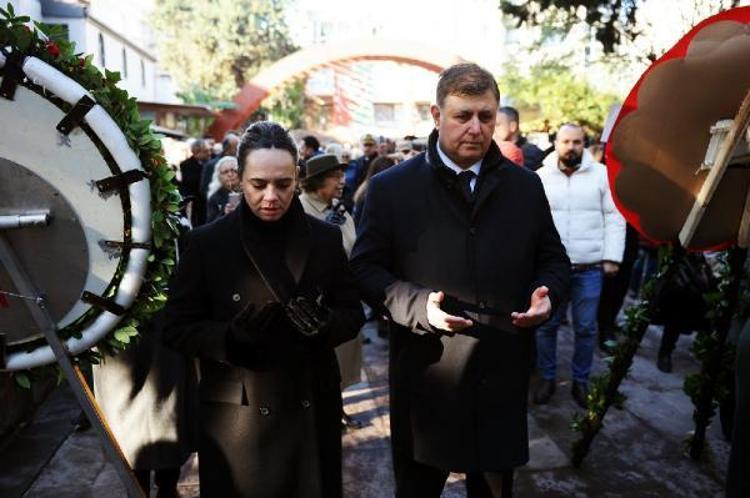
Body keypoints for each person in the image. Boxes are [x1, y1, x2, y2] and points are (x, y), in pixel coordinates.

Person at [351, 63, 570, 498]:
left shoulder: (525, 187)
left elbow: (554, 261)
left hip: (501, 375)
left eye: (485, 116)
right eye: (462, 115)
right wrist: (419, 307)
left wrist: (548, 297)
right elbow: (365, 270)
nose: (475, 127)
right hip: (427, 375)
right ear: (437, 115)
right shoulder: (392, 189)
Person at [162, 121, 365, 498]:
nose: (271, 196)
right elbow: (175, 327)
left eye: (283, 184)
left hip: (311, 407)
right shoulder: (207, 243)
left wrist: (326, 326)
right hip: (239, 420)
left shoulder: (325, 238)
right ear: (239, 179)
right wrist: (229, 338)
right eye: (259, 184)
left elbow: (352, 312)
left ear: (297, 178)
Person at [534, 123, 626, 408]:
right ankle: (547, 378)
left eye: (577, 142)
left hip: (590, 268)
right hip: (552, 270)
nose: (571, 147)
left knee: (585, 329)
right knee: (546, 326)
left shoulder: (601, 175)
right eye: (566, 142)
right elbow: (531, 222)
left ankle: (581, 381)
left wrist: (612, 257)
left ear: (584, 144)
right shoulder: (540, 177)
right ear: (556, 143)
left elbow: (614, 216)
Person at [298, 153, 363, 428]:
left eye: (342, 175)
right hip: (315, 305)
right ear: (317, 181)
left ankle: (338, 406)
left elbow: (354, 245)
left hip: (342, 299)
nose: (342, 181)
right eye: (335, 176)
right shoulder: (300, 208)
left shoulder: (339, 208)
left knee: (344, 359)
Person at [494, 106, 545, 170]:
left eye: (497, 125)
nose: (493, 130)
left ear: (513, 126)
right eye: (491, 125)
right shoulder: (493, 150)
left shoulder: (531, 153)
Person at [178, 138, 211, 227]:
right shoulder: (186, 165)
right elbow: (190, 182)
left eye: (209, 150)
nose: (209, 153)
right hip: (195, 202)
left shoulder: (210, 163)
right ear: (197, 152)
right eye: (206, 151)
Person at [199, 132, 240, 202]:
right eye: (236, 147)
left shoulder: (240, 162)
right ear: (228, 148)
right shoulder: (212, 165)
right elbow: (204, 189)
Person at [205, 156, 240, 223]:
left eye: (233, 171)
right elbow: (211, 224)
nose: (230, 174)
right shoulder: (214, 198)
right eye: (225, 172)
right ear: (219, 177)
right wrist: (224, 214)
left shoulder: (248, 192)